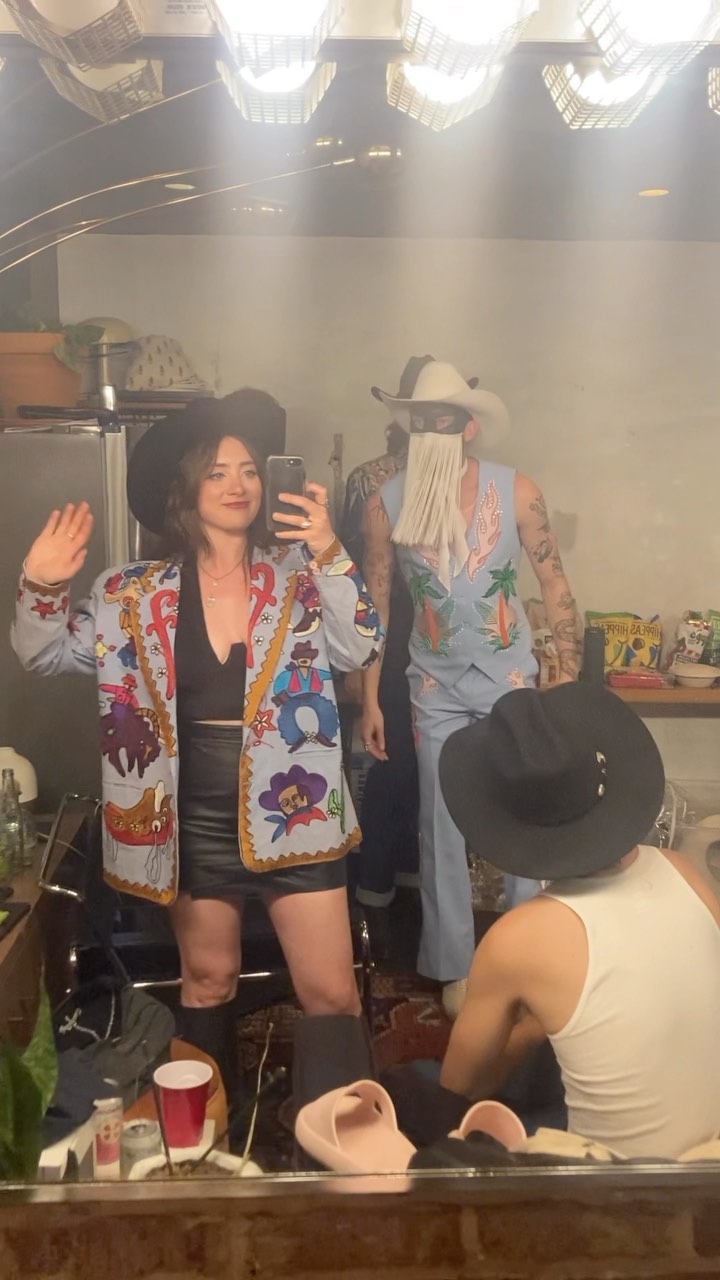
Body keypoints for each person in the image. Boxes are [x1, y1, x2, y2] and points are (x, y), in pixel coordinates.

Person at [11, 389, 384, 1109]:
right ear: (186, 489)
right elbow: (43, 654)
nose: (238, 485)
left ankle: (341, 1146)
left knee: (332, 990)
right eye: (217, 472)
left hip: (297, 804)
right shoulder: (129, 593)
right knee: (208, 980)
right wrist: (42, 583)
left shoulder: (300, 579)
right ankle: (211, 1142)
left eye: (248, 470)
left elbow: (361, 644)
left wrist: (329, 550)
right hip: (185, 812)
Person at [361, 358, 583, 1018]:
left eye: (445, 419)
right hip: (431, 682)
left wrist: (568, 676)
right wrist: (369, 696)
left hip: (510, 678)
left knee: (522, 811)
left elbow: (555, 583)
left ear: (470, 426)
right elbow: (376, 604)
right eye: (422, 420)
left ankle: (526, 956)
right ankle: (452, 964)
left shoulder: (518, 492)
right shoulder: (385, 502)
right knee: (439, 819)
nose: (434, 431)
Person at [437, 683, 720, 1159]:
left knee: (420, 1087)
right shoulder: (685, 871)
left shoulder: (517, 940)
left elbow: (461, 1088)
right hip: (708, 1162)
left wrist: (532, 1026)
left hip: (611, 1183)